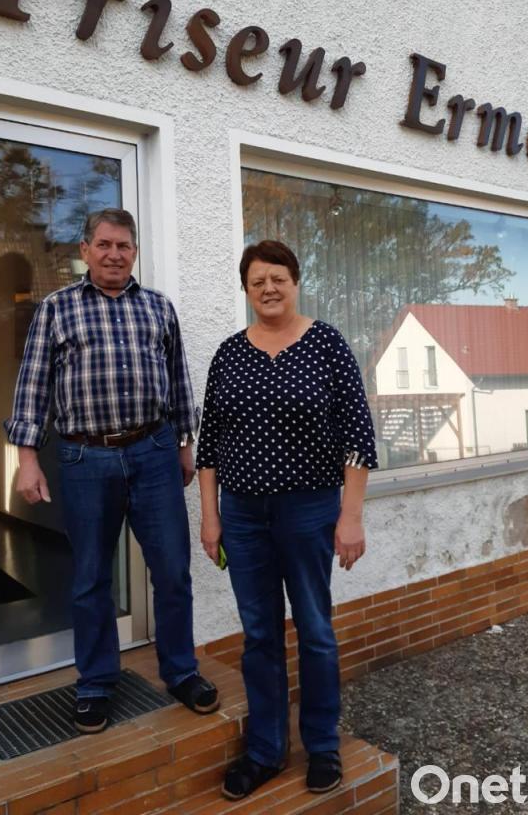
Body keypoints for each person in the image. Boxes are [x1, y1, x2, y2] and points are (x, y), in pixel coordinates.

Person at [5, 208, 218, 733]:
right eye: (104, 244)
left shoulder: (158, 308)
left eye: (123, 246)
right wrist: (27, 458)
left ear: (135, 252)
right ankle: (97, 682)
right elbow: (32, 386)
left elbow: (178, 380)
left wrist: (184, 444)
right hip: (85, 458)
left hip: (154, 452)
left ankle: (181, 671)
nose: (114, 254)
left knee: (172, 571)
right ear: (85, 250)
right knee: (90, 577)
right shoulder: (56, 309)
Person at [197, 239, 377, 800]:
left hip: (309, 510)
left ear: (296, 282)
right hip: (243, 515)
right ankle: (266, 751)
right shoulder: (229, 353)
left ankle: (322, 745)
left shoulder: (326, 344)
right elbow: (209, 446)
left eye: (278, 278)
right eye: (258, 281)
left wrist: (351, 516)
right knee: (259, 635)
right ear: (246, 290)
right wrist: (210, 517)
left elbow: (358, 437)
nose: (269, 288)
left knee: (315, 630)